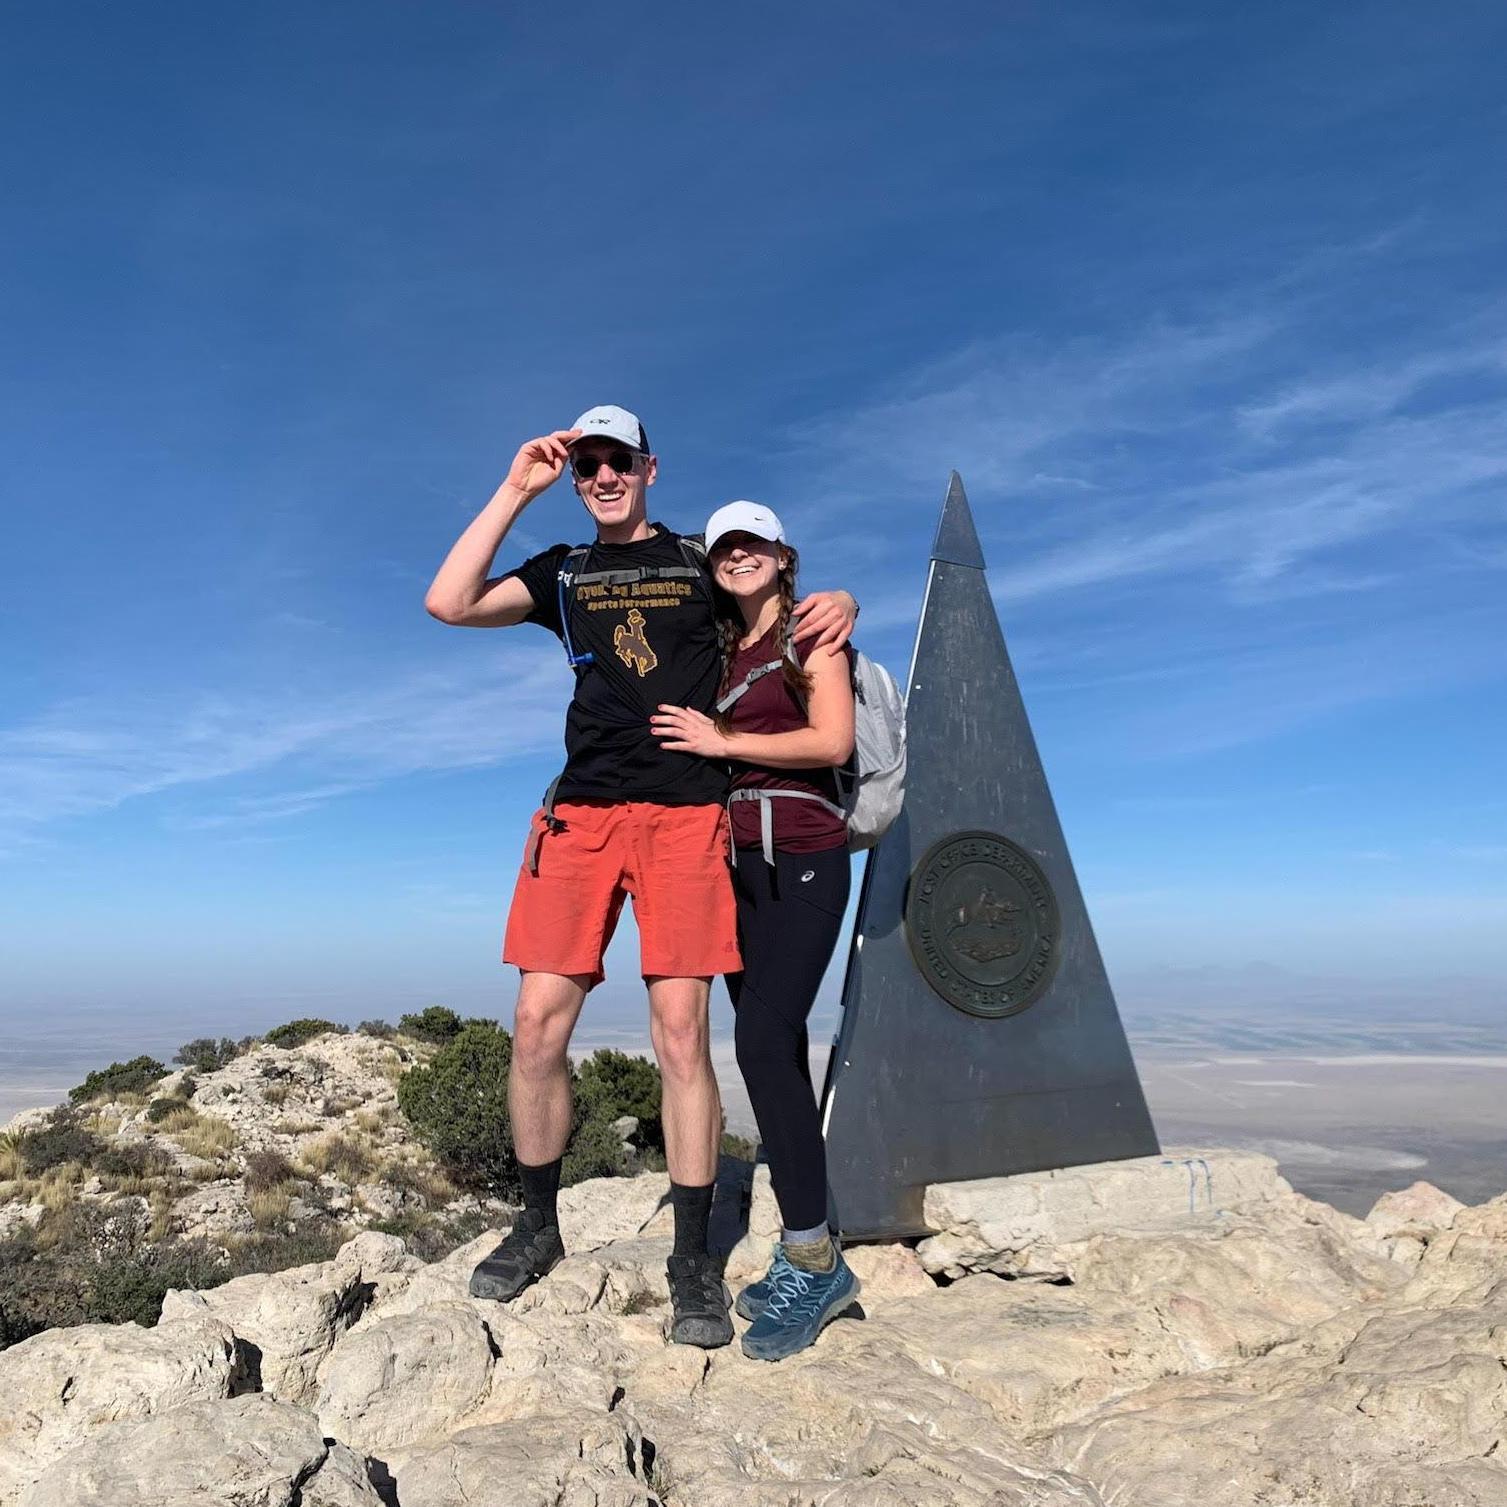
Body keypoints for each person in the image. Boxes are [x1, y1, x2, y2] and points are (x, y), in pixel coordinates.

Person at [423, 408, 856, 1348]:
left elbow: (773, 592)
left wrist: (841, 599)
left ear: (650, 467)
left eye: (619, 459)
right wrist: (514, 488)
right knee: (537, 1021)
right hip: (579, 814)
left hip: (685, 817)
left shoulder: (702, 557)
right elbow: (447, 602)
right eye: (588, 463)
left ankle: (693, 1254)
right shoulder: (563, 571)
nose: (603, 474)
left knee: (679, 1031)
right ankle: (538, 1222)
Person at [650, 500, 860, 1361]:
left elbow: (832, 739)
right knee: (761, 1042)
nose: (738, 555)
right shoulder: (723, 650)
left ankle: (814, 1261)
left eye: (753, 544)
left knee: (767, 1039)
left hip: (806, 855)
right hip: (735, 866)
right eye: (725, 546)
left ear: (782, 554)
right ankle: (804, 1244)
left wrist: (722, 737)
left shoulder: (811, 632)